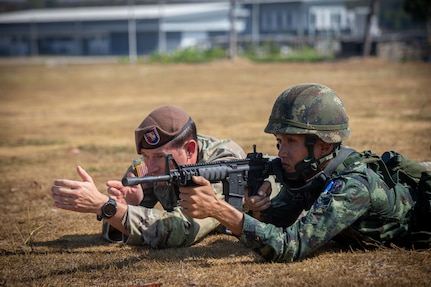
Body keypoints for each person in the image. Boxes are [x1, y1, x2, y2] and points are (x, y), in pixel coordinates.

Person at [178, 83, 430, 262]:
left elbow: (290, 245)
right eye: (280, 141)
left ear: (324, 144)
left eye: (291, 141)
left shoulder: (353, 185)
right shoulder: (312, 172)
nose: (281, 152)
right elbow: (281, 219)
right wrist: (258, 208)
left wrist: (221, 211)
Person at [51, 105, 245, 248]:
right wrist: (127, 206)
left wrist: (106, 207)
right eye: (145, 155)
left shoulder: (223, 163)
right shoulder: (144, 168)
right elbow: (115, 232)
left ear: (189, 149)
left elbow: (182, 229)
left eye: (159, 157)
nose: (150, 166)